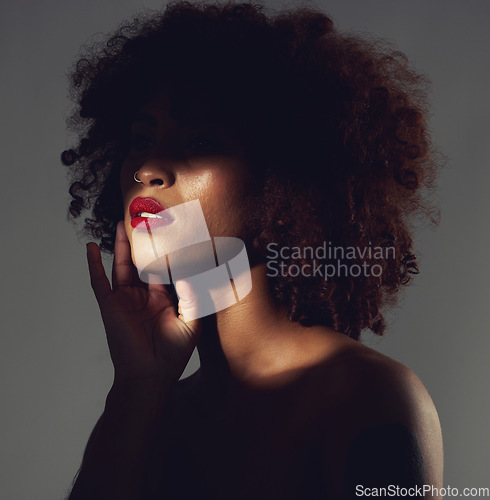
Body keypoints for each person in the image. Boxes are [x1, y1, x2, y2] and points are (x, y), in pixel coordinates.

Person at [62, 1, 443, 498]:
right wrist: (136, 388)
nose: (147, 166)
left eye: (198, 141)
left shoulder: (364, 395)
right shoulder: (154, 410)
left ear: (287, 182)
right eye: (141, 138)